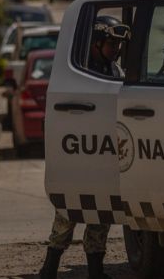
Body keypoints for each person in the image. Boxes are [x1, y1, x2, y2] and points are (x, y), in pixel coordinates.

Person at [38, 17, 129, 278]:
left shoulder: (115, 72)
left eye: (118, 44)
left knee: (101, 215)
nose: (116, 49)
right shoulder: (78, 71)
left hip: (103, 153)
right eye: (112, 43)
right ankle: (49, 268)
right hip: (79, 155)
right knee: (67, 214)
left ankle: (96, 271)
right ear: (96, 43)